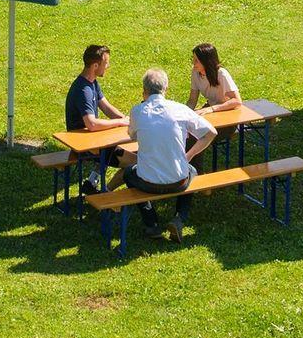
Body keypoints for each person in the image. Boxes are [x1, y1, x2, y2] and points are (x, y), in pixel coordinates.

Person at [125, 68, 216, 241]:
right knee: (192, 171)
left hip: (147, 182)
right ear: (166, 88)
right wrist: (189, 156)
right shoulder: (180, 109)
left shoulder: (137, 111)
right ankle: (179, 218)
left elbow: (132, 135)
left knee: (129, 172)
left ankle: (151, 222)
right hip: (178, 181)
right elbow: (211, 133)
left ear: (144, 90)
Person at [64, 43, 128, 193]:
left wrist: (126, 119)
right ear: (95, 66)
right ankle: (107, 194)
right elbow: (91, 124)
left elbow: (106, 107)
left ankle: (92, 184)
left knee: (133, 156)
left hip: (95, 141)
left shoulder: (92, 83)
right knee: (138, 163)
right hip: (85, 147)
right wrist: (120, 122)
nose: (108, 66)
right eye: (106, 63)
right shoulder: (83, 90)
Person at [187, 43, 240, 110]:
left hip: (226, 108)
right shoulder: (195, 72)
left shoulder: (221, 74)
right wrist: (185, 113)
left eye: (196, 60)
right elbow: (192, 101)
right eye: (193, 59)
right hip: (211, 107)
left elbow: (237, 101)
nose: (193, 63)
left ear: (205, 61)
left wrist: (212, 109)